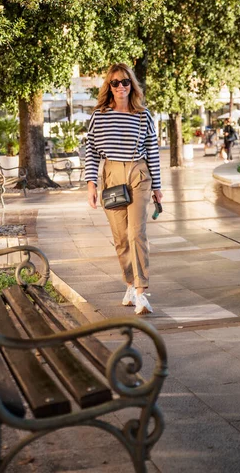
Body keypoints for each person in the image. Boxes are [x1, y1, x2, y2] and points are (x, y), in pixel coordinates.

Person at [85, 63, 163, 315]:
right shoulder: (99, 116)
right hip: (111, 177)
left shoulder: (143, 115)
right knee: (120, 239)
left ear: (132, 85)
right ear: (109, 86)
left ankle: (141, 292)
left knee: (136, 234)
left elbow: (152, 151)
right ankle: (129, 284)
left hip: (138, 174)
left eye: (125, 82)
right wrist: (91, 184)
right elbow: (92, 151)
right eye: (115, 82)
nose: (121, 86)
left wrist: (157, 188)